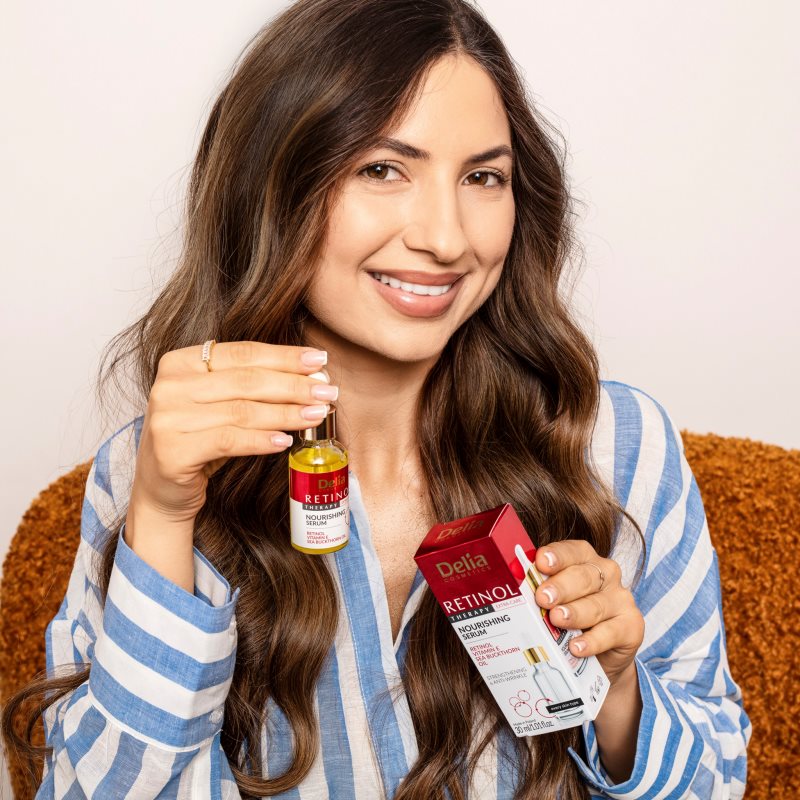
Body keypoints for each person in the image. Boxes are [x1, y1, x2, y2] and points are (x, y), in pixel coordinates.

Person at [2, 0, 751, 797]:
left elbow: (717, 781)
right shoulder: (149, 470)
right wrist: (161, 515)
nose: (446, 238)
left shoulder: (613, 446)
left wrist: (616, 691)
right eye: (383, 169)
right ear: (273, 184)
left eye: (483, 177)